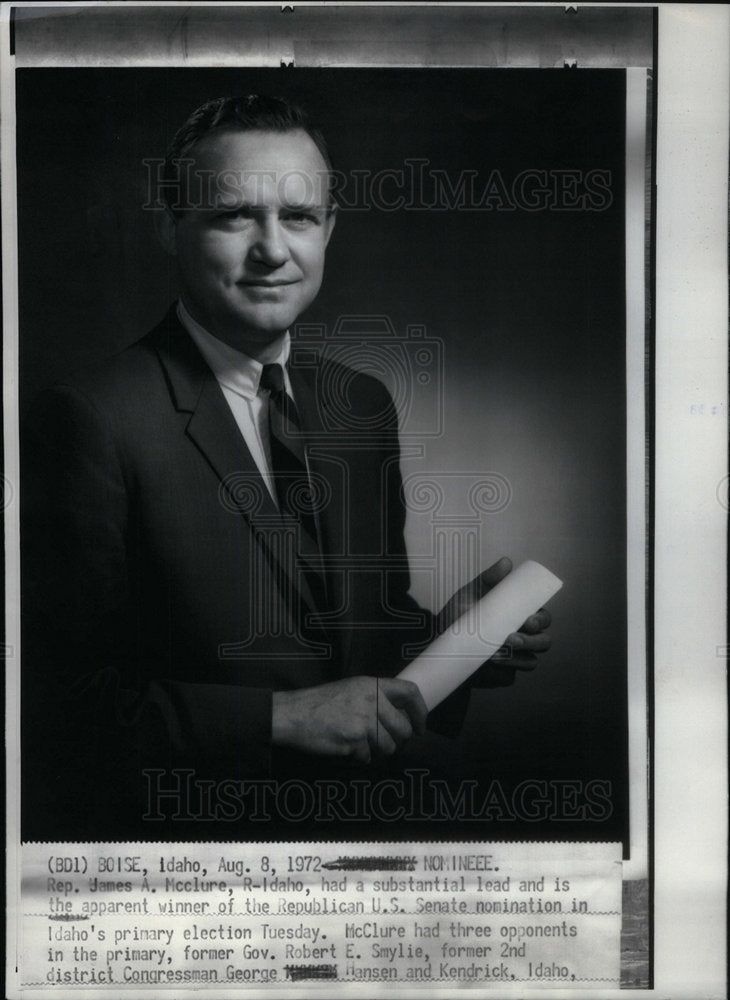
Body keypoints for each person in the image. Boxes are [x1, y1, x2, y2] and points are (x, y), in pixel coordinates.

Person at [21, 95, 550, 839]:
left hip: (363, 853)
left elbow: (356, 650)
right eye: (236, 215)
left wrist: (455, 639)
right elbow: (54, 712)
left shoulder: (359, 403)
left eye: (299, 217)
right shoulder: (88, 420)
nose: (273, 249)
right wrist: (281, 720)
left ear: (329, 229)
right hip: (192, 876)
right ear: (171, 227)